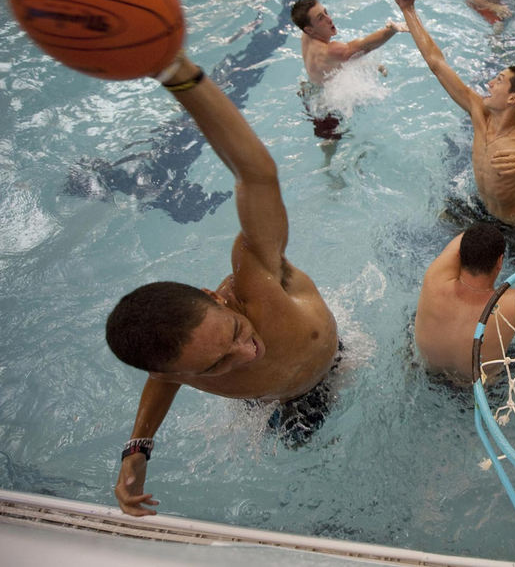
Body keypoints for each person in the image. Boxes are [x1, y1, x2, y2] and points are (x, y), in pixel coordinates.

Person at [103, 52, 341, 516]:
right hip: (275, 404)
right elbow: (160, 376)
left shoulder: (258, 275)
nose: (247, 354)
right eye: (215, 366)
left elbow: (255, 173)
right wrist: (138, 448)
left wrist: (179, 75)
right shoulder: (176, 360)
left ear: (216, 298)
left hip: (336, 360)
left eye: (234, 332)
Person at [389, 0, 515, 230]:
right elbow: (436, 63)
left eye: (498, 81)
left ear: (512, 98)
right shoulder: (479, 113)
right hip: (478, 207)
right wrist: (408, 9)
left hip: (512, 226)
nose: (489, 83)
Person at [414, 224, 515, 385]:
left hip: (427, 372)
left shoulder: (434, 278)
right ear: (500, 262)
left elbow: (460, 241)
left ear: (459, 255)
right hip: (475, 388)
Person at [290, 0, 405, 86]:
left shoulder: (306, 34)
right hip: (327, 112)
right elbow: (366, 45)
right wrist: (392, 30)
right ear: (309, 29)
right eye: (321, 18)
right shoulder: (327, 51)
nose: (329, 19)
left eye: (326, 12)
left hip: (311, 89)